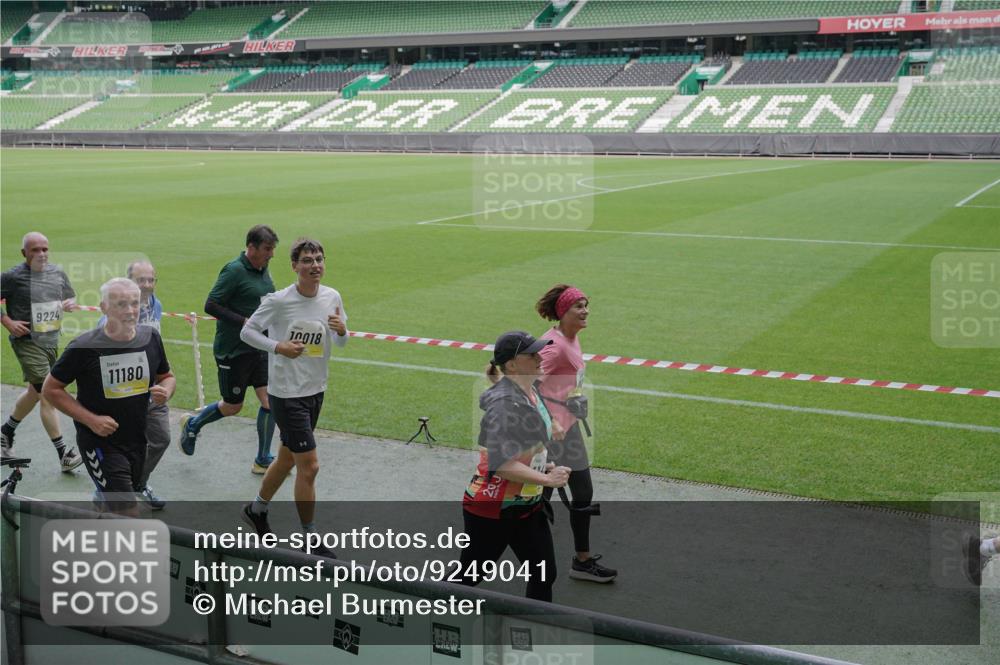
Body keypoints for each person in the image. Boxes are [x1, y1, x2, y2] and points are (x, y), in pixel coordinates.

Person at [238, 238, 347, 558]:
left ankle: (256, 510)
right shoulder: (280, 301)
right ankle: (310, 537)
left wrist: (342, 331)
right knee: (309, 466)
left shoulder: (332, 297)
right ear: (295, 266)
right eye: (308, 260)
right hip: (287, 393)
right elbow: (248, 332)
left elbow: (340, 343)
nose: (315, 265)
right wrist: (278, 346)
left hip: (316, 389)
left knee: (287, 458)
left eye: (319, 259)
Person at [43, 278, 175, 516]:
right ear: (104, 307)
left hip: (136, 439)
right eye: (121, 304)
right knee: (129, 511)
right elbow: (51, 389)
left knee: (114, 506)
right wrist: (91, 420)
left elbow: (167, 376)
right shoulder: (84, 346)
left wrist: (166, 391)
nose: (130, 310)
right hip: (99, 443)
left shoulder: (151, 338)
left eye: (135, 303)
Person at [459, 331, 571, 602]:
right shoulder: (505, 406)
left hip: (525, 505)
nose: (538, 356)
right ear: (511, 365)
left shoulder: (528, 390)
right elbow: (500, 463)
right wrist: (548, 480)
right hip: (492, 508)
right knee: (468, 577)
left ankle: (534, 635)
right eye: (531, 353)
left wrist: (543, 464)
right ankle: (418, 608)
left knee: (544, 574)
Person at [178, 225, 278, 474]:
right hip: (233, 351)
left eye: (272, 250)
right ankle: (193, 424)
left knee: (269, 401)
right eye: (267, 249)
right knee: (233, 406)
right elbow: (210, 304)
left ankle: (262, 458)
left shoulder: (263, 270)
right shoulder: (234, 270)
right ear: (251, 247)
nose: (271, 254)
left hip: (258, 348)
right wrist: (244, 322)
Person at [536, 284, 617, 583]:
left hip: (567, 429)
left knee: (581, 492)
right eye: (578, 306)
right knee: (536, 497)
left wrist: (571, 398)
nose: (585, 311)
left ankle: (581, 562)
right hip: (549, 434)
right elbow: (525, 385)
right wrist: (550, 421)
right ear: (563, 312)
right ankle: (526, 558)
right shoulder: (553, 345)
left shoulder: (572, 338)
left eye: (586, 305)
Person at [0, 232, 82, 472]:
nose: (41, 254)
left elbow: (70, 297)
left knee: (34, 393)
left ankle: (6, 432)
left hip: (50, 340)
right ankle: (63, 454)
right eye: (35, 250)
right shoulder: (13, 277)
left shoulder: (57, 273)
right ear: (24, 253)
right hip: (26, 342)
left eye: (44, 249)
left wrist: (70, 303)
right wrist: (7, 322)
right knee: (47, 393)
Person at [95, 261, 169, 509]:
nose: (147, 285)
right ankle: (108, 488)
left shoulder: (155, 305)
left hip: (150, 391)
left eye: (151, 279)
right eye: (141, 280)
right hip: (122, 395)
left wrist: (164, 382)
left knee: (161, 439)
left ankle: (138, 483)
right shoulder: (109, 319)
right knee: (118, 447)